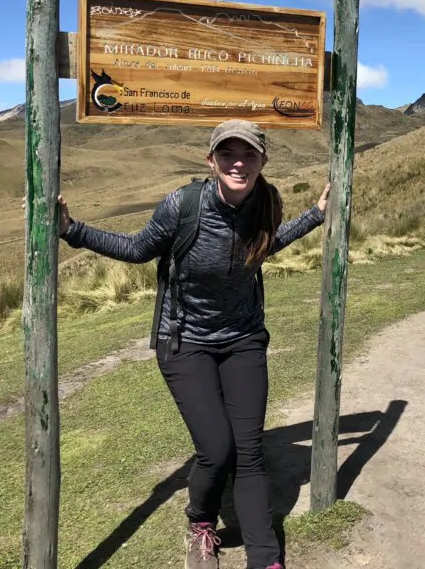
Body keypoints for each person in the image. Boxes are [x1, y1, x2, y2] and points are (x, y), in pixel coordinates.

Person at [56, 119, 329, 569]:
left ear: (263, 161)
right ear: (211, 160)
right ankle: (200, 520)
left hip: (243, 339)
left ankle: (265, 559)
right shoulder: (184, 206)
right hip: (185, 341)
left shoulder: (266, 202)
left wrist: (316, 215)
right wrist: (72, 230)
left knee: (250, 451)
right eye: (227, 154)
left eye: (248, 155)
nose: (237, 162)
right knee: (217, 450)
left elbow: (266, 244)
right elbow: (138, 248)